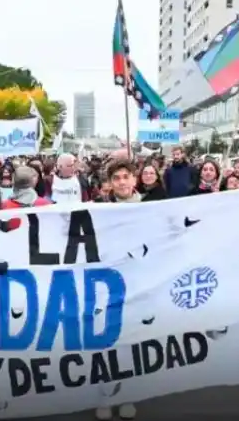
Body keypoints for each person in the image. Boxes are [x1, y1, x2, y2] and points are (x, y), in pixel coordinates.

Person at [95, 159, 139, 421]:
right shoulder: (100, 210)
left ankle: (128, 396)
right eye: (117, 178)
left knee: (132, 343)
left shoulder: (153, 207)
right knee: (105, 342)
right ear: (110, 183)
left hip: (140, 284)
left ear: (134, 180)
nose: (122, 182)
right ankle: (104, 397)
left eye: (126, 176)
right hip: (107, 284)